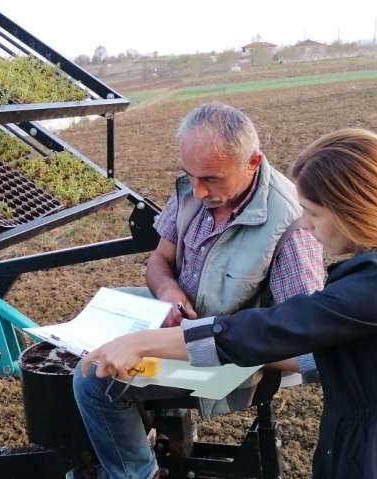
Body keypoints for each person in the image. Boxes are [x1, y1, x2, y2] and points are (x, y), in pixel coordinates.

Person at [81, 128, 377, 478]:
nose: (303, 225)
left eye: (313, 213)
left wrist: (142, 342)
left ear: (354, 210)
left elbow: (275, 327)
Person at [73, 102, 325, 479]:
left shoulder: (289, 225)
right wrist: (168, 292)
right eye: (189, 175)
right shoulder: (193, 192)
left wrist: (202, 339)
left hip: (230, 354)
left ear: (253, 162)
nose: (197, 189)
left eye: (211, 179)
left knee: (93, 380)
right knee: (85, 343)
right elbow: (159, 260)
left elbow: (304, 343)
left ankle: (137, 474)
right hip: (178, 327)